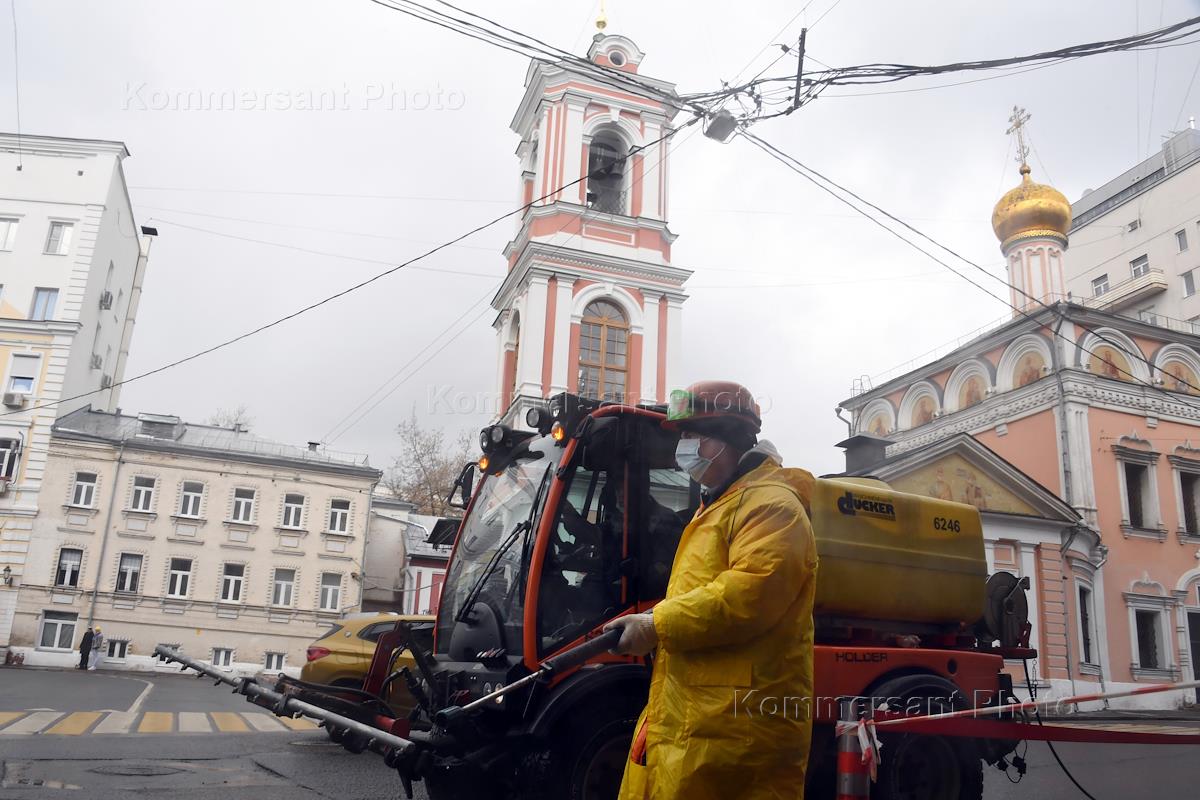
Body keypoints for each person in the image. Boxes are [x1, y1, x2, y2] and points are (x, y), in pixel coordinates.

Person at [605, 380, 818, 800]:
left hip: (738, 725)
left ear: (727, 440)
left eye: (692, 436)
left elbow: (749, 594)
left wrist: (656, 624)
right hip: (699, 714)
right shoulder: (719, 505)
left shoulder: (773, 506)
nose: (683, 448)